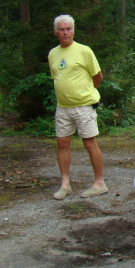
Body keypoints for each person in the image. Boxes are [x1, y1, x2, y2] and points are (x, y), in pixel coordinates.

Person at [48, 14, 106, 200]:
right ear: (56, 32)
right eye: (62, 30)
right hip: (62, 107)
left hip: (84, 106)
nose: (66, 33)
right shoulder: (53, 54)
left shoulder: (84, 51)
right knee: (62, 143)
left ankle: (99, 183)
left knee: (89, 142)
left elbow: (97, 77)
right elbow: (56, 78)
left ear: (73, 30)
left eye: (69, 29)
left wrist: (86, 93)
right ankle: (65, 184)